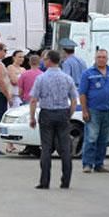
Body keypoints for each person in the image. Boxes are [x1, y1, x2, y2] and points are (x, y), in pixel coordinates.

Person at [29, 50, 78, 189]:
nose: (43, 61)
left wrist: (32, 117)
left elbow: (33, 99)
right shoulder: (67, 78)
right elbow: (74, 99)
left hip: (47, 113)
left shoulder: (41, 78)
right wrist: (69, 114)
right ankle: (66, 181)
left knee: (46, 148)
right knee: (65, 149)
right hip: (63, 113)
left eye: (45, 59)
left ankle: (45, 181)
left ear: (49, 60)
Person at [80, 49, 109, 173]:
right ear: (95, 58)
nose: (101, 59)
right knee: (91, 138)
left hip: (108, 110)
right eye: (99, 57)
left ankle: (99, 164)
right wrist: (84, 110)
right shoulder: (88, 73)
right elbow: (82, 93)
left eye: (104, 57)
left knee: (104, 139)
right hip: (93, 110)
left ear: (107, 59)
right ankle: (87, 164)